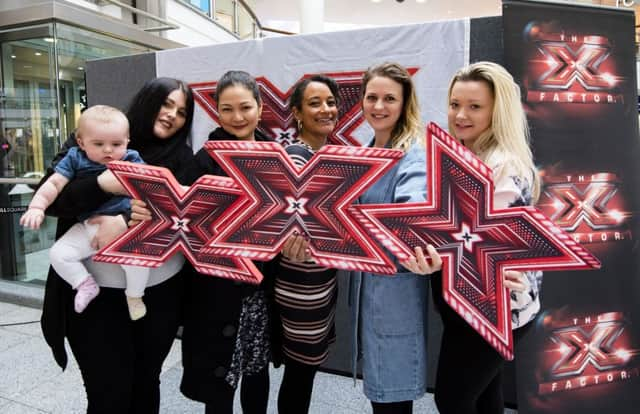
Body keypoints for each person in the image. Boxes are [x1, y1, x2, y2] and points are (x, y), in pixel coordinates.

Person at [40, 77, 195, 413]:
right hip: (97, 298)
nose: (171, 115)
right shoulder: (93, 138)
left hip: (158, 296)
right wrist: (102, 185)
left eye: (181, 111)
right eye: (166, 103)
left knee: (146, 385)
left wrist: (125, 222)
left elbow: (189, 225)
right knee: (107, 393)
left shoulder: (184, 159)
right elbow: (51, 200)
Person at [431, 61, 543, 414]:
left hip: (491, 310)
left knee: (452, 399)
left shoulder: (503, 167)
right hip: (468, 305)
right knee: (482, 397)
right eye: (454, 104)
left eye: (474, 106)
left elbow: (480, 245)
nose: (460, 115)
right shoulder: (463, 152)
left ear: (498, 111)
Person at [168, 70, 272, 414]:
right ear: (216, 112)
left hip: (259, 292)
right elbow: (181, 221)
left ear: (259, 106)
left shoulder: (277, 156)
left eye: (245, 107)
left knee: (257, 379)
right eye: (227, 109)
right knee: (218, 388)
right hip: (215, 292)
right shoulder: (202, 161)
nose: (237, 117)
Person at [350, 62, 442, 414]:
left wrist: (358, 225)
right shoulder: (365, 151)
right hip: (368, 293)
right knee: (381, 395)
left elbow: (412, 212)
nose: (378, 106)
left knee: (393, 401)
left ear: (405, 104)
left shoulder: (412, 155)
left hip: (394, 295)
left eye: (390, 98)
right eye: (371, 97)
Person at [21, 105, 149, 320]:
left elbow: (151, 188)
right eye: (98, 144)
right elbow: (54, 184)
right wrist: (37, 206)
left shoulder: (132, 159)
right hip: (89, 225)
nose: (108, 150)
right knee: (58, 254)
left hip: (125, 228)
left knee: (137, 264)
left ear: (127, 141)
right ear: (81, 143)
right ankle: (84, 284)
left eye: (116, 144)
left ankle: (135, 296)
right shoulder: (75, 158)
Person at [274, 75, 340, 414]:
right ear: (297, 112)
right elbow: (291, 222)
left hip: (321, 280)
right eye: (315, 103)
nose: (326, 109)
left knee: (305, 370)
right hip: (301, 283)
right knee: (301, 372)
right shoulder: (298, 155)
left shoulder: (326, 152)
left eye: (330, 101)